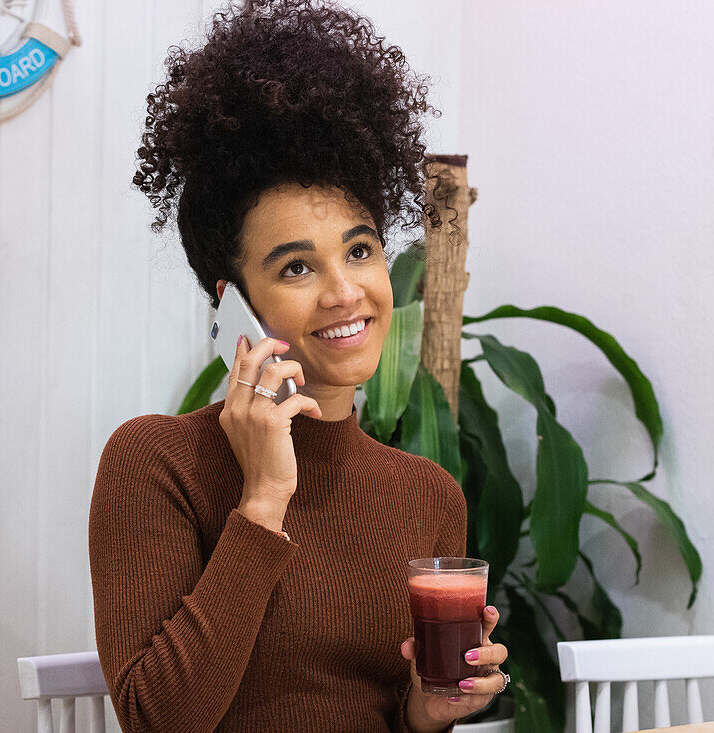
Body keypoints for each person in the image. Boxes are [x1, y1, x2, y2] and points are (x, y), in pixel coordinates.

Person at [88, 1, 510, 731]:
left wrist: (424, 712)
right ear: (236, 303)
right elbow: (157, 720)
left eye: (359, 249)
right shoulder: (156, 461)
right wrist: (263, 500)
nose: (347, 291)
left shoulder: (428, 494)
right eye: (295, 267)